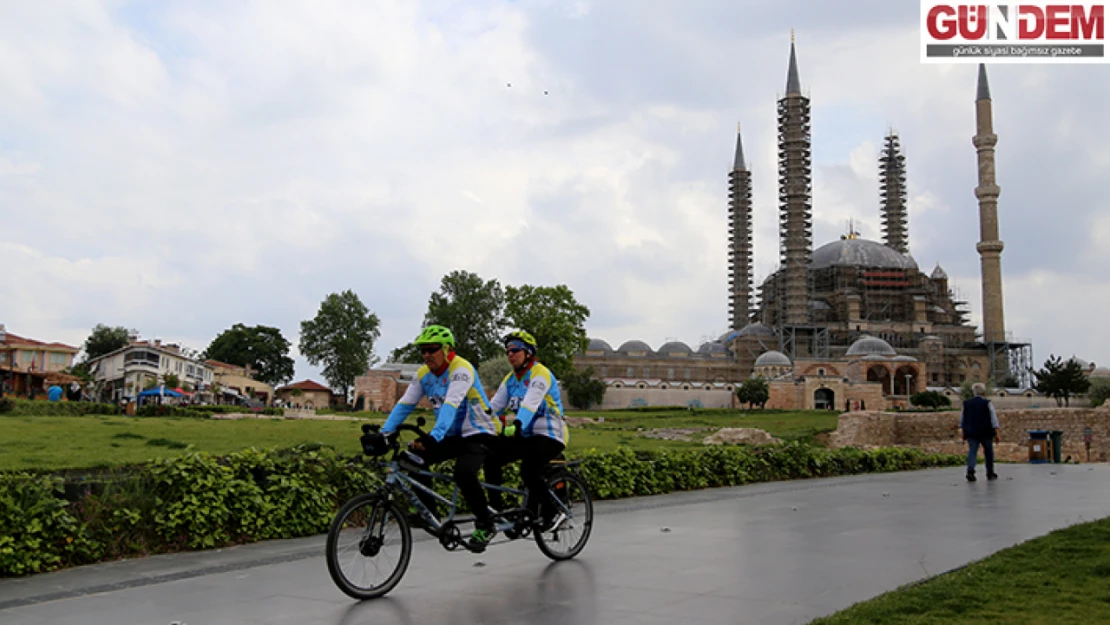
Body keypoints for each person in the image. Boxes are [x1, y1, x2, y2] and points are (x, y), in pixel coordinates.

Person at [379, 325, 499, 552]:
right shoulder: (423, 374)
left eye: (432, 349)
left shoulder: (461, 369)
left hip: (480, 432)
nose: (426, 355)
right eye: (423, 351)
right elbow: (405, 405)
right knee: (412, 457)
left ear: (447, 349)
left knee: (464, 473)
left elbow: (451, 404)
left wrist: (434, 436)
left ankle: (486, 522)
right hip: (453, 435)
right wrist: (384, 433)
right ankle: (429, 512)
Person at [483, 330, 568, 533]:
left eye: (515, 350)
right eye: (508, 351)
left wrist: (518, 423)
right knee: (490, 457)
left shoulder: (540, 374)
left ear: (528, 353)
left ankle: (553, 512)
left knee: (529, 469)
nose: (510, 354)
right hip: (527, 434)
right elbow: (494, 407)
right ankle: (497, 511)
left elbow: (531, 403)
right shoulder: (511, 379)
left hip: (551, 433)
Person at [960, 382, 1000, 482]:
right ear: (984, 392)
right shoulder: (987, 403)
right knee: (988, 452)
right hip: (986, 431)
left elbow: (962, 419)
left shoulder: (966, 404)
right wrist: (997, 432)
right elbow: (993, 419)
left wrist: (963, 431)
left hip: (971, 432)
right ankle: (990, 472)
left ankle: (970, 471)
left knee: (972, 451)